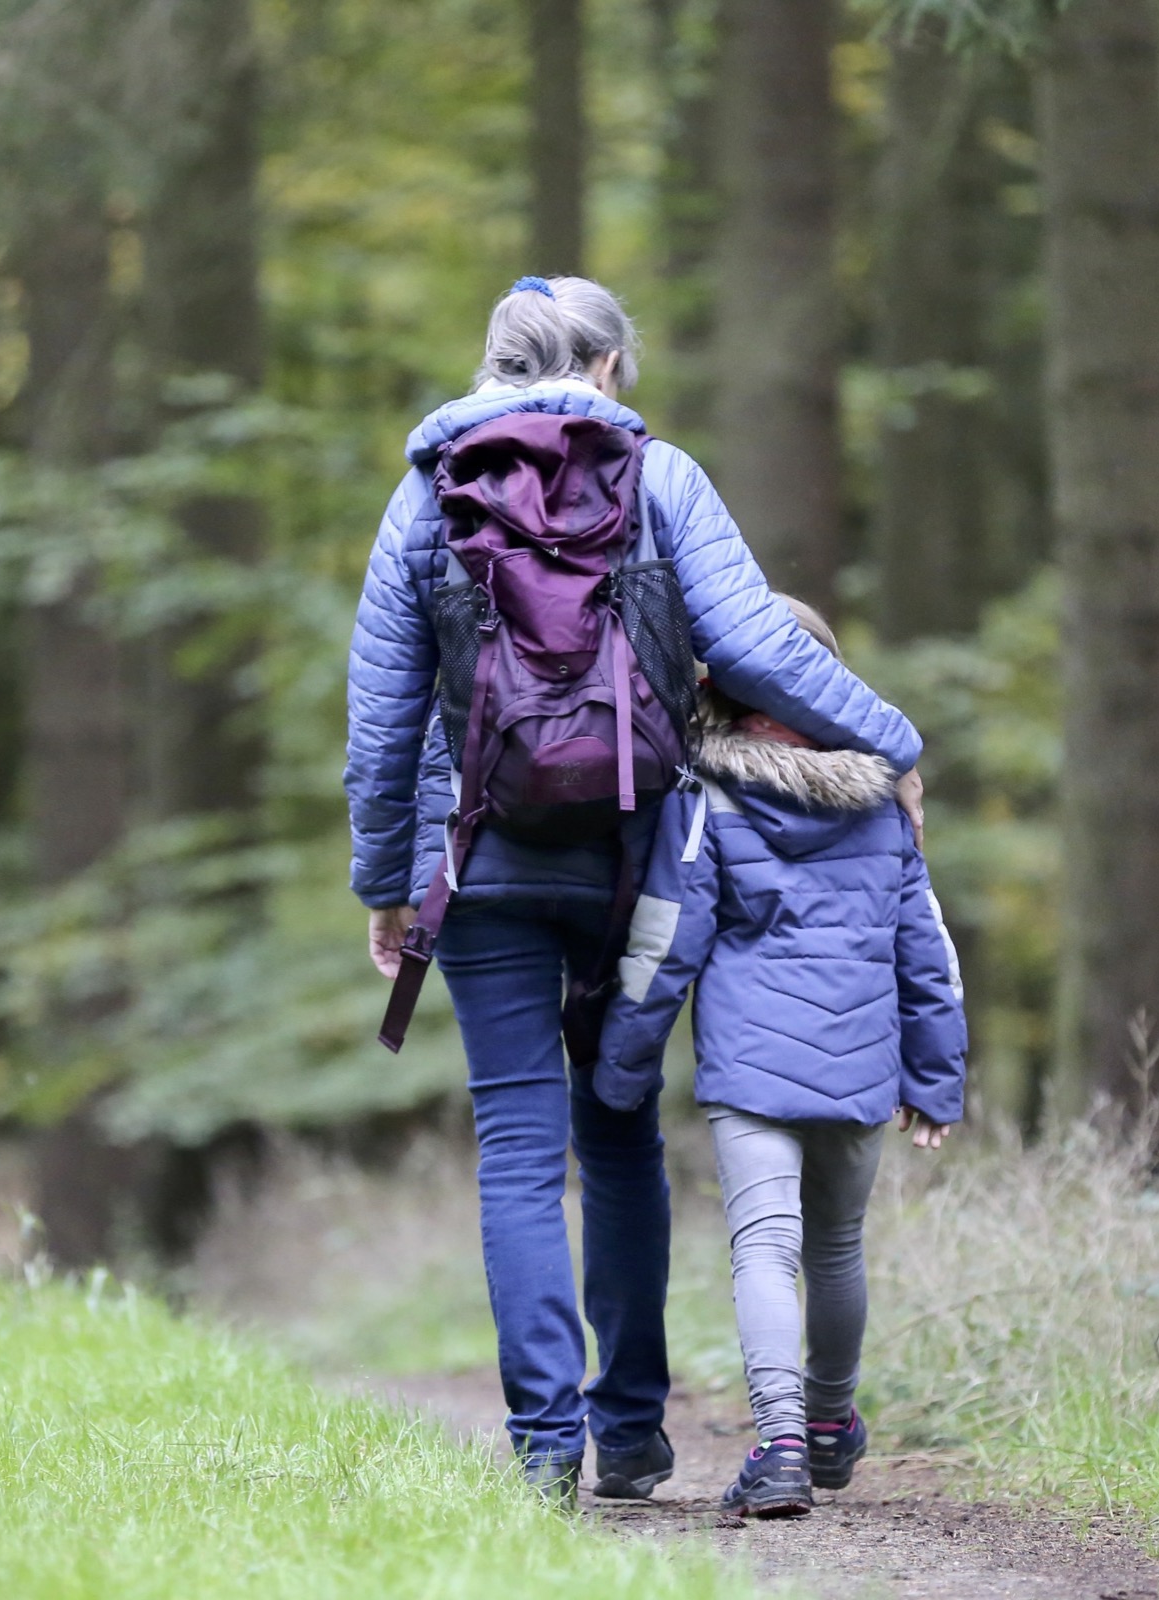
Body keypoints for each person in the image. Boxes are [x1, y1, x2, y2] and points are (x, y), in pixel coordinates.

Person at [343, 275, 926, 1505]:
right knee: (617, 1131)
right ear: (608, 366)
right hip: (636, 859)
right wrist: (893, 742)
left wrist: (387, 883)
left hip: (483, 857)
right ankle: (635, 1432)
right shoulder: (663, 479)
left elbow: (383, 715)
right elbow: (761, 645)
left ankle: (546, 1447)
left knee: (515, 1143)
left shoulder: (424, 496)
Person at [593, 598, 966, 1519]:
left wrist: (622, 1066)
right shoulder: (884, 802)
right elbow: (928, 951)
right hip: (862, 1061)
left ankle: (783, 1445)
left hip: (753, 1071)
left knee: (765, 1249)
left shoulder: (707, 796)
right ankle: (833, 1424)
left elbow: (665, 940)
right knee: (836, 1248)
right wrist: (936, 1076)